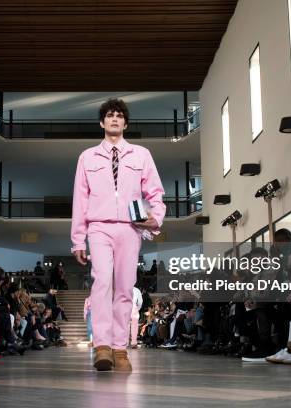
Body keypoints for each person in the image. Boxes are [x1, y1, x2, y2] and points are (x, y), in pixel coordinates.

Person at [71, 98, 165, 372]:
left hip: (130, 227)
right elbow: (80, 199)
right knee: (102, 282)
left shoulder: (141, 155)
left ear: (125, 122)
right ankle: (102, 346)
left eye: (119, 115)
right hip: (98, 226)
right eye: (110, 115)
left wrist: (155, 217)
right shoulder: (87, 157)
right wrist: (78, 239)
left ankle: (120, 348)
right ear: (102, 122)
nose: (114, 119)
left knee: (125, 287)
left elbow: (155, 193)